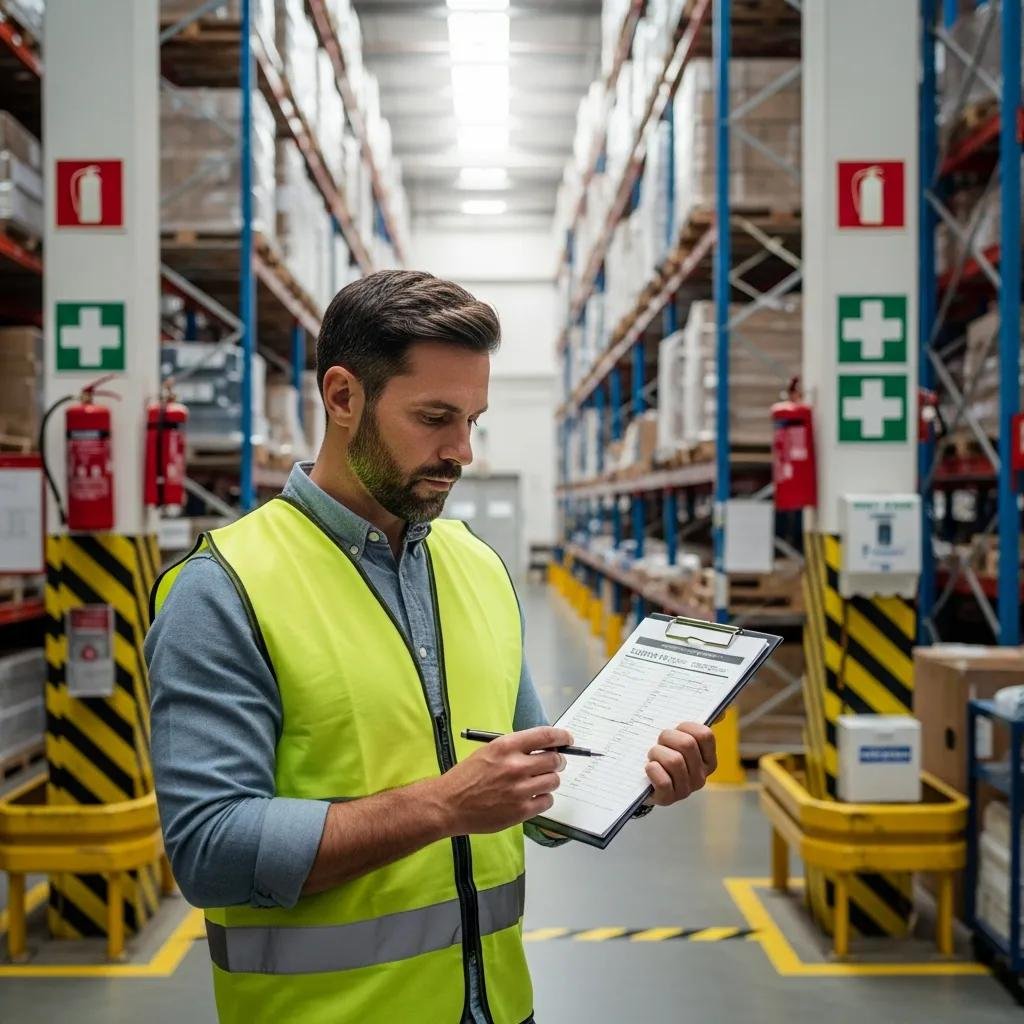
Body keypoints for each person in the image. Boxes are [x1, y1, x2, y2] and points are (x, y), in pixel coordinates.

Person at [146, 270, 718, 1024]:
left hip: (498, 1009)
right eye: (436, 417)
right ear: (343, 397)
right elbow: (210, 849)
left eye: (473, 420)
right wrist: (443, 806)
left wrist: (632, 782)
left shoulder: (476, 565)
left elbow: (533, 784)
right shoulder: (223, 589)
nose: (462, 452)